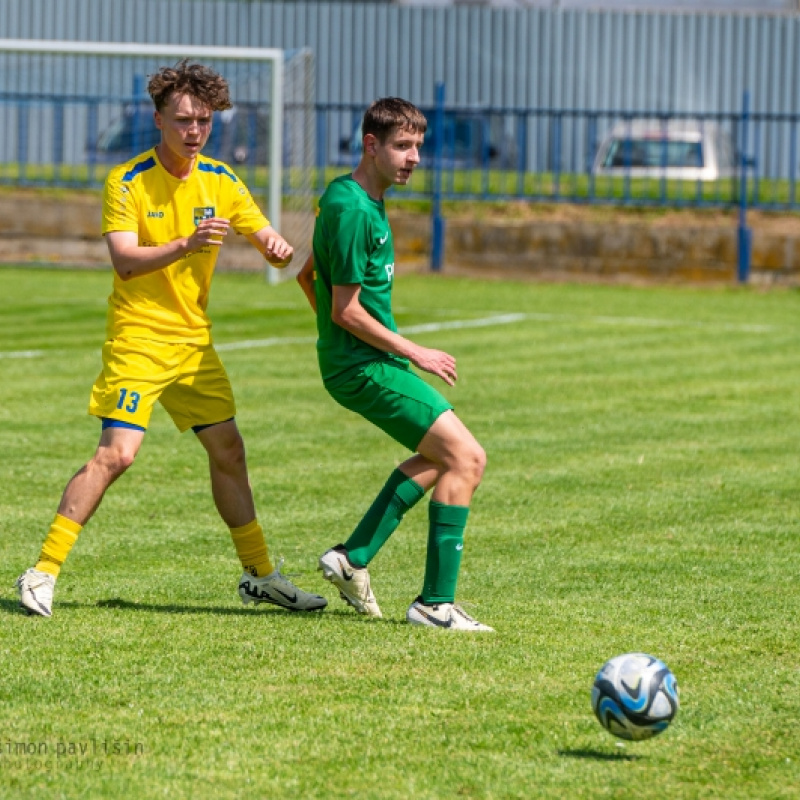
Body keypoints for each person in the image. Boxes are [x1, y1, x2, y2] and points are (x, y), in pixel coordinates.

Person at [16, 60, 326, 617]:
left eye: (204, 121)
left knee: (229, 452)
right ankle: (41, 572)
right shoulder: (127, 181)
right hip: (139, 338)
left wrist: (276, 247)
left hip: (194, 345)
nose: (194, 131)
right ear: (157, 118)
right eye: (183, 119)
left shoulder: (222, 180)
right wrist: (186, 244)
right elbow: (125, 262)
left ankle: (260, 575)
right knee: (118, 455)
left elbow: (263, 231)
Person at [296, 97, 492, 632]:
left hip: (360, 361)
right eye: (402, 147)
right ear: (371, 145)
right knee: (467, 460)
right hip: (366, 366)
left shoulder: (345, 195)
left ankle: (352, 557)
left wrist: (339, 342)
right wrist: (412, 350)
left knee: (440, 459)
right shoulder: (355, 210)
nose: (414, 159)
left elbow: (306, 276)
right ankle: (435, 605)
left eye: (417, 147)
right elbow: (345, 308)